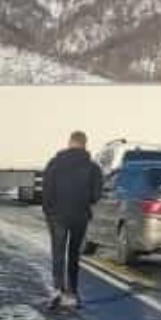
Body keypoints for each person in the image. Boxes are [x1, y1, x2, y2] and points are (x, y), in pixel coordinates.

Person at [41, 131, 103, 310]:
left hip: (57, 216)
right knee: (74, 254)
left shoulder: (54, 163)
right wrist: (86, 202)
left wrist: (48, 211)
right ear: (85, 144)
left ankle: (57, 291)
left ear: (69, 143)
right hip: (79, 215)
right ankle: (73, 293)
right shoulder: (92, 167)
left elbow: (46, 189)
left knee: (58, 252)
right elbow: (97, 193)